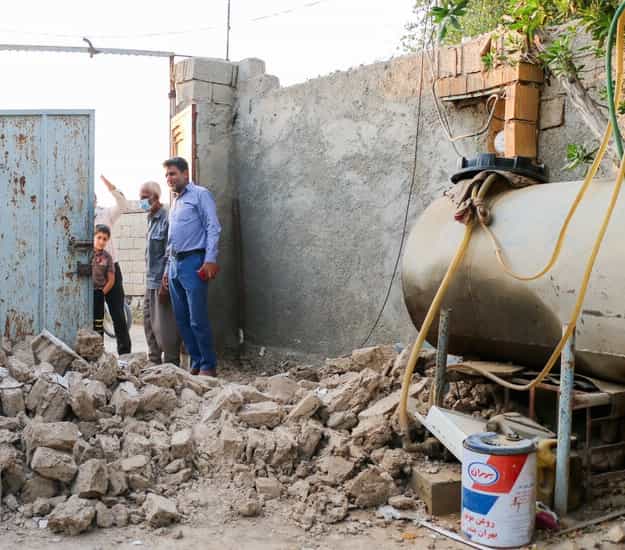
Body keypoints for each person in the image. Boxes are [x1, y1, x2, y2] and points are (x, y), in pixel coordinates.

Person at [162, 157, 221, 377]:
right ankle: (196, 361)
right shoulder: (175, 202)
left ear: (185, 174)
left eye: (173, 173)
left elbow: (213, 226)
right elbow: (171, 240)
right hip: (175, 265)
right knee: (182, 319)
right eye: (167, 175)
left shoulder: (200, 195)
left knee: (197, 318)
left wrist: (210, 258)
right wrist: (167, 270)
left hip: (195, 262)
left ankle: (208, 365)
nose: (169, 178)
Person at [139, 181, 182, 365]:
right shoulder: (150, 219)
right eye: (140, 197)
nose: (141, 201)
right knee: (148, 324)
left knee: (165, 329)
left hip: (161, 282)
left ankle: (171, 365)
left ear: (156, 198)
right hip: (150, 281)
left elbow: (170, 253)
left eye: (145, 197)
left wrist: (165, 281)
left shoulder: (167, 218)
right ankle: (154, 363)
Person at [95, 175, 132, 355]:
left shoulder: (105, 213)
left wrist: (111, 187)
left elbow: (123, 205)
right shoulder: (77, 216)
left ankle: (125, 355)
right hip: (92, 272)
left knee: (118, 313)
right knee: (95, 316)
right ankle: (97, 354)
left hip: (111, 269)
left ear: (95, 199)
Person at [92, 225, 115, 337]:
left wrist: (101, 294)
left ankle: (98, 345)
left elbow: (111, 280)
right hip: (84, 293)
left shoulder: (107, 258)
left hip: (98, 294)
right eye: (99, 237)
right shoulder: (86, 253)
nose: (101, 241)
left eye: (104, 239)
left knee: (97, 325)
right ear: (94, 236)